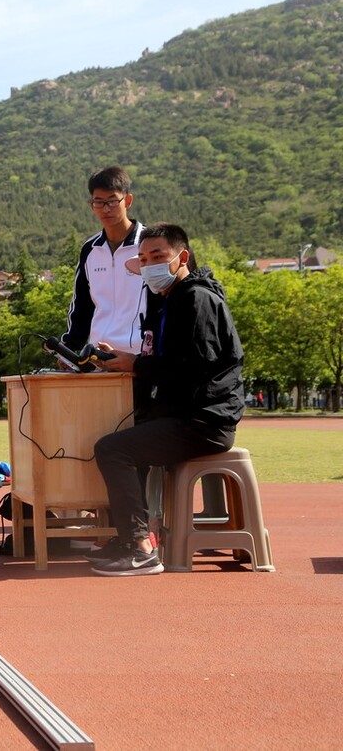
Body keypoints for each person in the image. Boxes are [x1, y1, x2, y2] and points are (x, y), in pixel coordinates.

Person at [87, 223, 244, 576]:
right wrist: (125, 360)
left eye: (158, 256)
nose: (149, 265)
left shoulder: (195, 299)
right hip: (189, 413)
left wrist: (136, 363)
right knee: (128, 433)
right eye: (142, 259)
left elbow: (194, 366)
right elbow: (166, 358)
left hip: (205, 419)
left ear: (181, 257)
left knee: (112, 449)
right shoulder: (167, 300)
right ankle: (132, 538)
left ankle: (141, 550)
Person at [63, 165, 154, 354]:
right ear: (91, 205)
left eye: (112, 201)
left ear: (127, 200)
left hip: (140, 358)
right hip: (99, 357)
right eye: (99, 202)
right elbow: (81, 306)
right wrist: (69, 350)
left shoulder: (150, 244)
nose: (106, 209)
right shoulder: (90, 249)